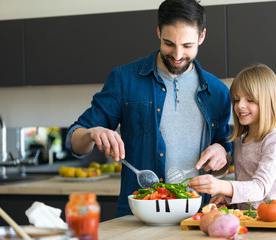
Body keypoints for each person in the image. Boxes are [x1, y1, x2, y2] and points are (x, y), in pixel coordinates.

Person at [65, 0, 232, 217]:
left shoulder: (218, 91)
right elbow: (74, 141)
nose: (178, 54)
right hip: (139, 218)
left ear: (202, 37)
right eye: (169, 43)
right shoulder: (124, 79)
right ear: (158, 32)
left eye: (188, 46)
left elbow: (224, 159)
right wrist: (91, 132)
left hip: (200, 218)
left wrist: (223, 154)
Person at [189, 64, 276, 210]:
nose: (240, 106)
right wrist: (228, 198)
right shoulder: (241, 141)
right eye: (236, 100)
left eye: (249, 100)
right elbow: (245, 186)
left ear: (267, 103)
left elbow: (259, 188)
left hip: (273, 219)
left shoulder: (275, 142)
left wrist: (221, 186)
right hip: (249, 218)